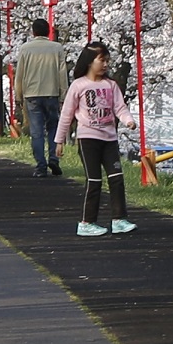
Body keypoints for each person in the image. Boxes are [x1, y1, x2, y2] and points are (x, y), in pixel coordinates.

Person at [60, 41, 135, 236]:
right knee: (94, 180)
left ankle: (119, 219)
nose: (105, 65)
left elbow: (120, 107)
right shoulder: (79, 85)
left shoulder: (110, 85)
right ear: (89, 62)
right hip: (88, 139)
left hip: (109, 139)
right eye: (101, 60)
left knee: (116, 178)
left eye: (107, 61)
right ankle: (86, 222)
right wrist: (59, 141)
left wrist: (128, 121)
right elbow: (67, 114)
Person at [9, 18, 69, 176]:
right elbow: (62, 73)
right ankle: (54, 159)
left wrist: (18, 95)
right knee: (53, 128)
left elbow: (20, 74)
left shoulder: (25, 49)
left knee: (37, 131)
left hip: (32, 94)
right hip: (52, 93)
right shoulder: (57, 48)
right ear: (48, 31)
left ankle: (40, 165)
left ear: (33, 32)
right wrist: (64, 94)